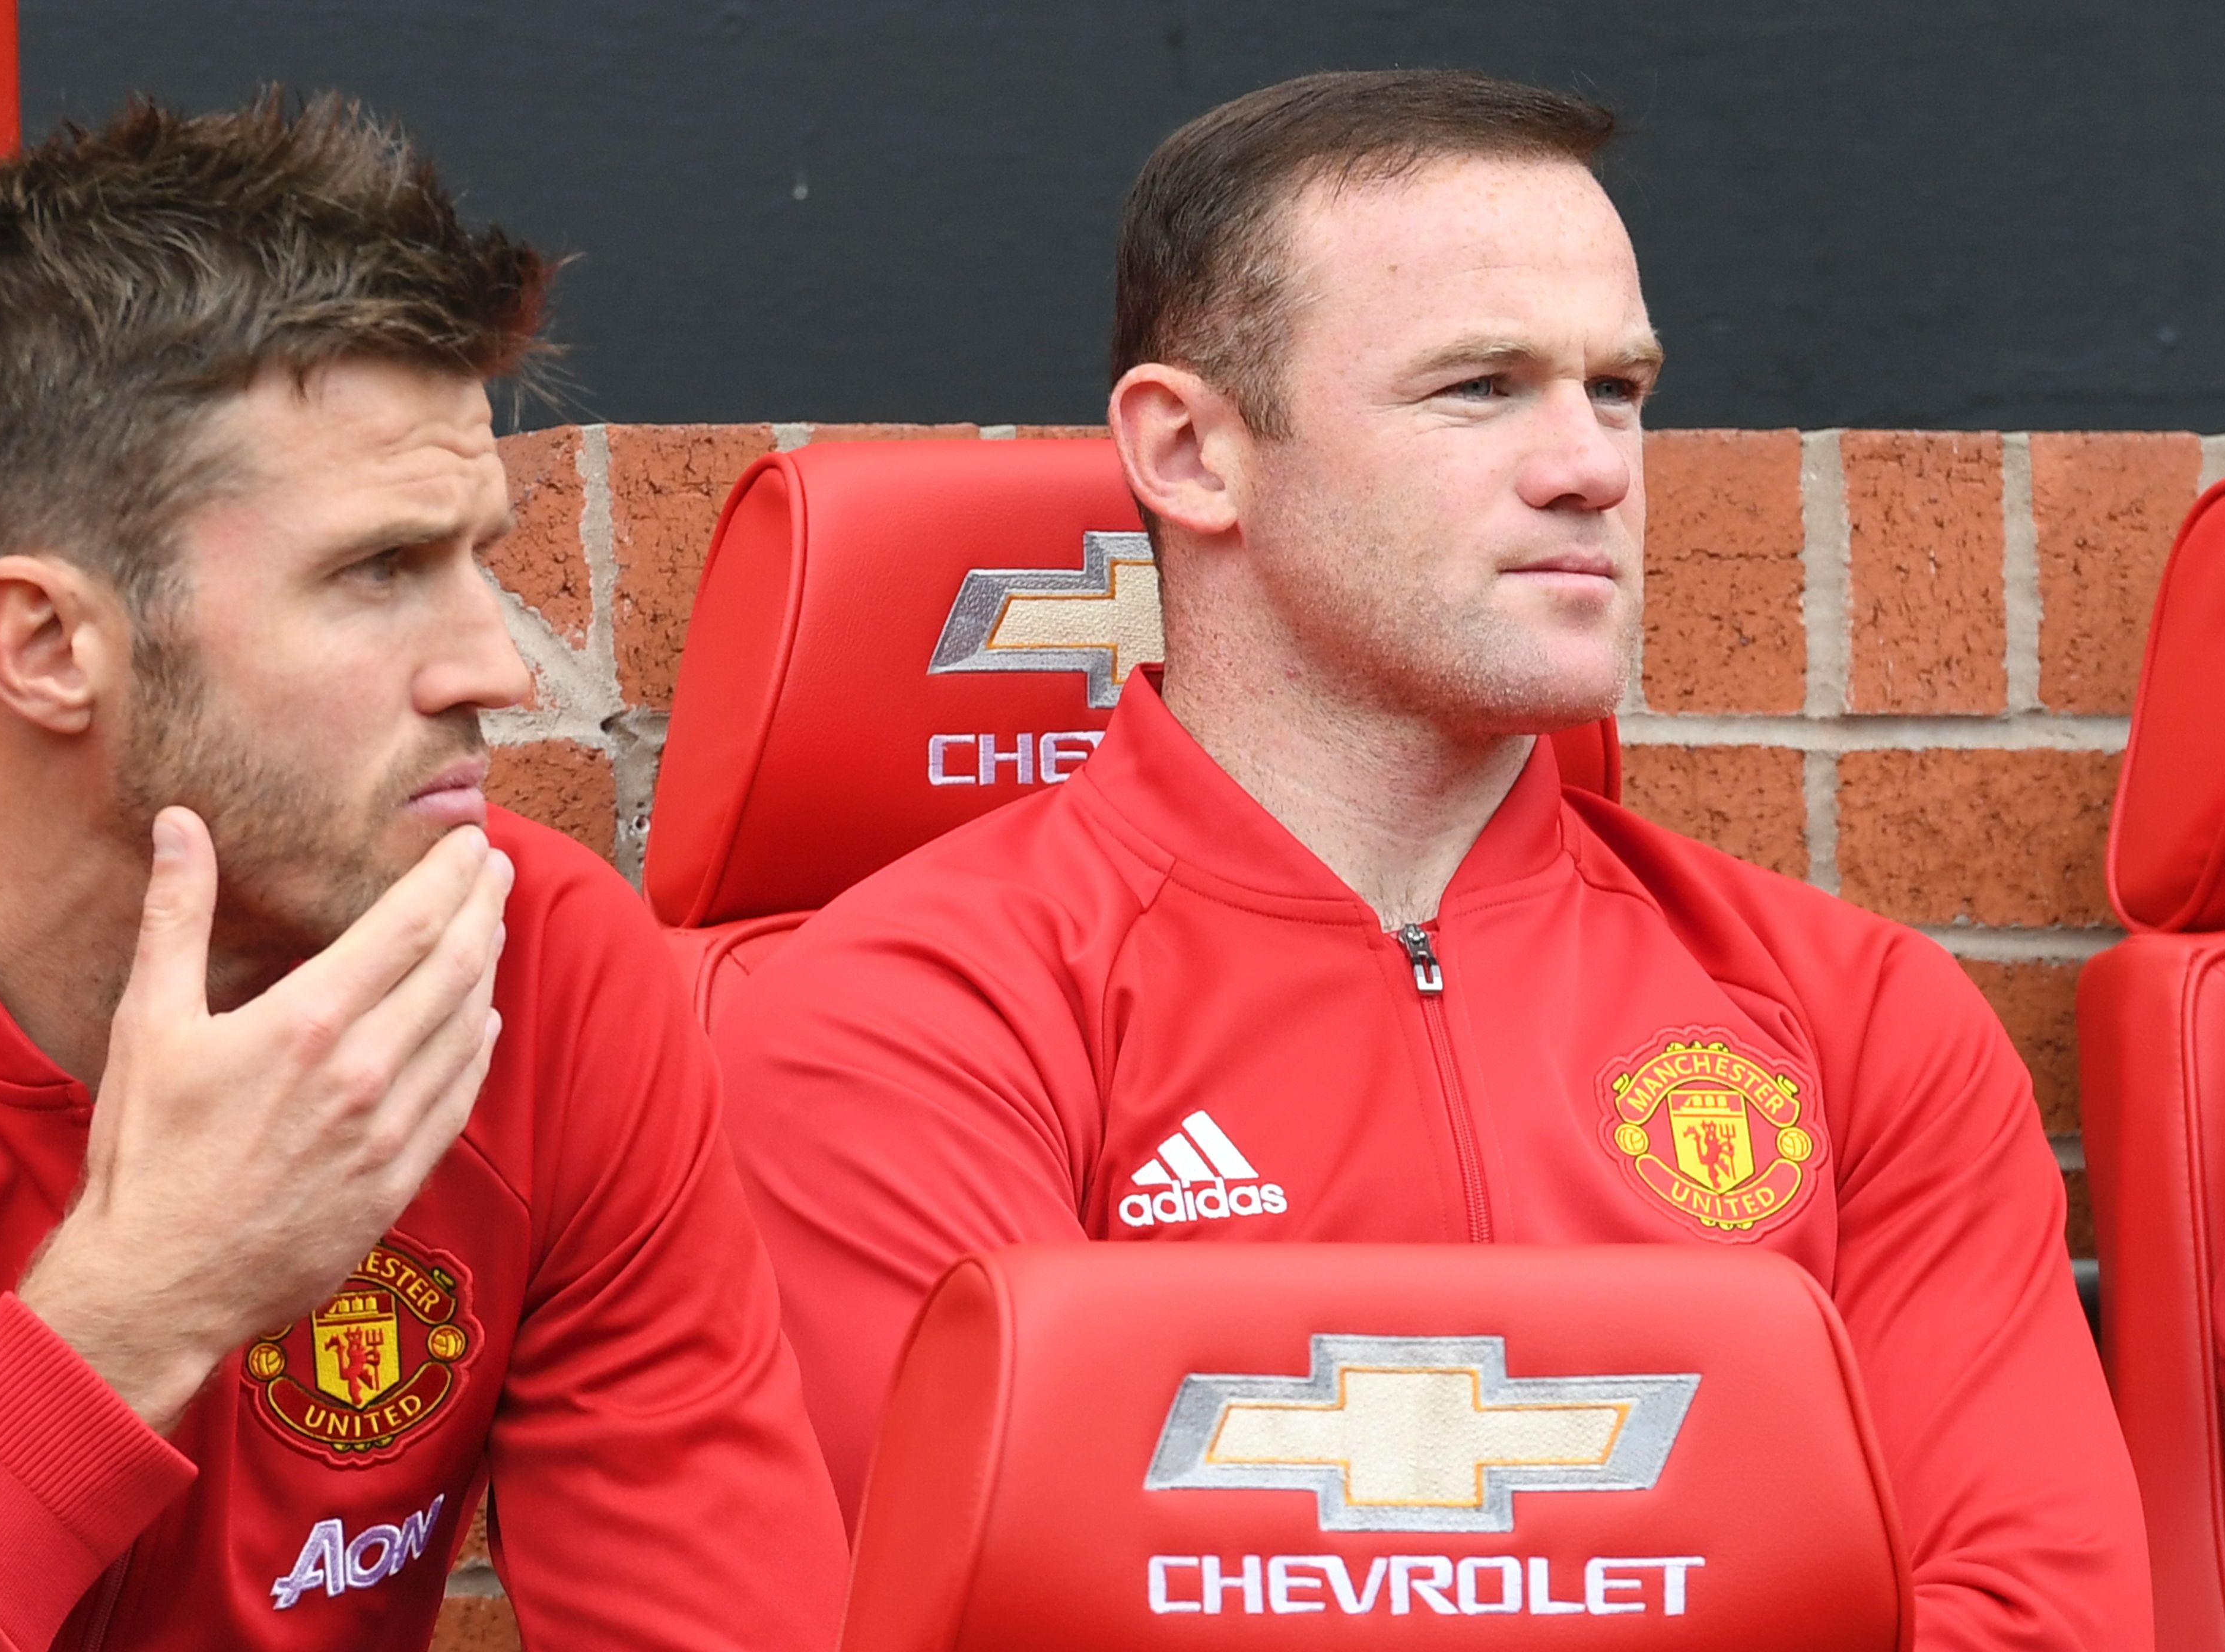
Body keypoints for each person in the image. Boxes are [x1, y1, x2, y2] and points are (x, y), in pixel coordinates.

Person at [714, 69, 2150, 1648]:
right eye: (1480, 388)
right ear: (1192, 452)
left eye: (1619, 388)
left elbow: (2035, 1619)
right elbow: (974, 1618)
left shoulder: (1857, 1014)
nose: (1591, 466)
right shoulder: (909, 1017)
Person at [0, 95, 846, 1650]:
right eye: (379, 572)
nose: (494, 663)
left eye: (481, 554)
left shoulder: (526, 965)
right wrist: (130, 1321)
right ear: (51, 644)